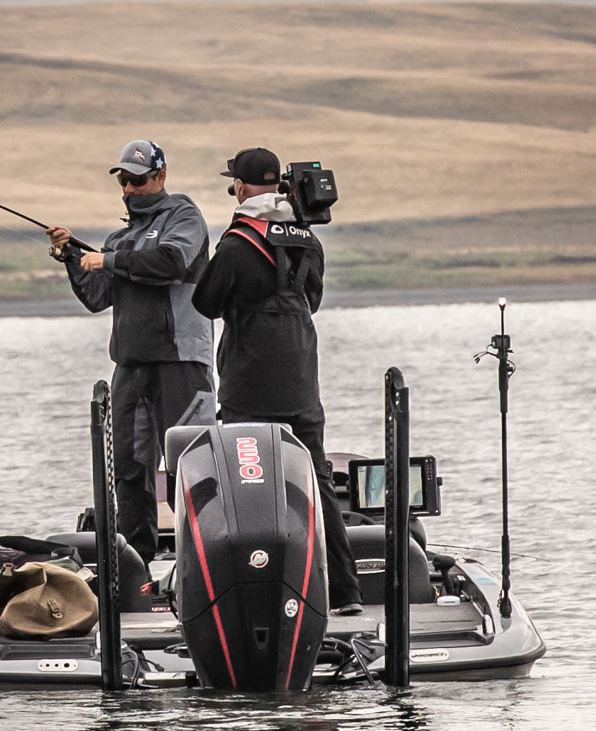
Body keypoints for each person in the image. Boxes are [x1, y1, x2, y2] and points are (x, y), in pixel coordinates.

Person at [191, 146, 362, 614]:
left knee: (246, 484)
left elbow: (205, 303)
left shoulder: (235, 244)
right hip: (301, 378)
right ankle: (345, 592)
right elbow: (313, 300)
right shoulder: (308, 240)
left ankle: (253, 587)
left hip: (249, 381)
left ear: (240, 187)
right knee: (318, 480)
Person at [46, 139, 216, 564]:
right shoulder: (118, 239)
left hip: (181, 362)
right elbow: (96, 297)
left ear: (160, 176)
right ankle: (135, 564)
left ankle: (207, 558)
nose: (129, 189)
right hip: (131, 366)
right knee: (128, 467)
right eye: (123, 180)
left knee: (191, 467)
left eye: (137, 180)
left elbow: (171, 263)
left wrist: (109, 260)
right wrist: (73, 257)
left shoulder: (184, 216)